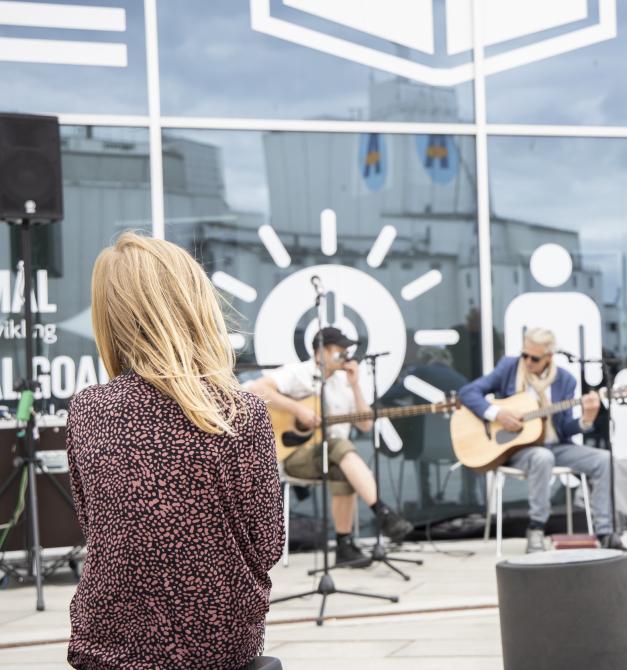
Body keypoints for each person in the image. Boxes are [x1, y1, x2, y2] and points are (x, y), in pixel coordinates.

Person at [66, 232, 284, 669]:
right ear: (194, 304)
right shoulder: (239, 412)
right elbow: (268, 544)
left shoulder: (88, 410)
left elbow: (97, 525)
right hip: (216, 642)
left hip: (108, 643)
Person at [246, 327, 413, 566]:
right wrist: (298, 410)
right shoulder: (298, 373)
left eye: (347, 351)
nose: (345, 355)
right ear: (322, 352)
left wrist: (355, 386)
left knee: (342, 464)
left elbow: (366, 424)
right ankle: (383, 512)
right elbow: (256, 388)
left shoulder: (344, 383)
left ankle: (344, 545)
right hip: (293, 454)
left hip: (332, 455)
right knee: (339, 446)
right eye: (339, 350)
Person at [458, 327, 619, 552]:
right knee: (542, 457)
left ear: (549, 357)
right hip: (517, 450)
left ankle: (605, 532)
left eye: (534, 358)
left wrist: (586, 419)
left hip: (557, 446)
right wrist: (497, 414)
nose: (527, 361)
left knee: (603, 459)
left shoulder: (565, 380)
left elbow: (565, 429)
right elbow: (468, 393)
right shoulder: (509, 368)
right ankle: (536, 528)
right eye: (524, 354)